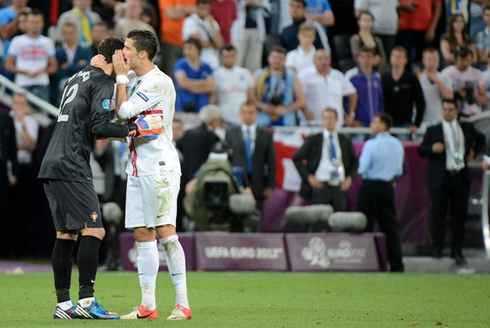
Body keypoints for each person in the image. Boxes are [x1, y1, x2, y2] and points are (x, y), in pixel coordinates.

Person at [38, 36, 163, 320]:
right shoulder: (104, 82)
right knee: (94, 230)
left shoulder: (77, 76)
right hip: (71, 163)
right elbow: (98, 126)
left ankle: (64, 305)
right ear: (117, 57)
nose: (128, 62)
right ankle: (86, 300)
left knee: (66, 234)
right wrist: (135, 129)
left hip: (52, 162)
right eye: (125, 57)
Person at [109, 29, 192, 320]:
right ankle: (148, 305)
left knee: (166, 233)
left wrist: (119, 78)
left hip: (159, 167)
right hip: (135, 166)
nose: (123, 53)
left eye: (128, 48)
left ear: (142, 54)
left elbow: (123, 111)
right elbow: (112, 111)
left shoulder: (159, 81)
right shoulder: (132, 80)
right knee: (143, 234)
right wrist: (119, 78)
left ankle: (182, 303)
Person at [418, 98, 485, 265]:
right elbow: (421, 150)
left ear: (456, 111)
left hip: (460, 175)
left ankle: (457, 250)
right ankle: (437, 248)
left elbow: (482, 139)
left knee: (459, 215)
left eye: (450, 109)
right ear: (442, 110)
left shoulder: (466, 127)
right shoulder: (434, 129)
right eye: (445, 109)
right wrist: (432, 148)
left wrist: (473, 153)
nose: (447, 112)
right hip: (441, 176)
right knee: (437, 215)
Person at [357, 113, 405, 272]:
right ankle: (397, 265)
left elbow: (362, 168)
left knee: (365, 226)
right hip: (388, 188)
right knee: (390, 228)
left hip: (371, 187)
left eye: (375, 122)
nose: (371, 124)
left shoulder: (371, 144)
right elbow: (398, 170)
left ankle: (365, 264)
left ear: (383, 125)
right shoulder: (398, 144)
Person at [293, 108, 358, 218]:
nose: (328, 121)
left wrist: (350, 178)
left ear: (337, 120)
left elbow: (355, 162)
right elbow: (297, 158)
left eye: (331, 118)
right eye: (325, 118)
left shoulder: (345, 140)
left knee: (339, 222)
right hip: (321, 185)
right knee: (317, 221)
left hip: (339, 185)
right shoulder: (313, 139)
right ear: (322, 120)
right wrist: (309, 177)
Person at [225, 100, 276, 221]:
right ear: (240, 114)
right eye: (244, 112)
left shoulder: (266, 134)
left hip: (258, 182)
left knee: (257, 215)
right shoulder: (231, 133)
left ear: (256, 114)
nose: (247, 115)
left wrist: (270, 185)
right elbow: (227, 159)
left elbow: (271, 162)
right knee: (236, 216)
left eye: (251, 112)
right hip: (237, 181)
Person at [5, 10, 57, 103]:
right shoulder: (17, 41)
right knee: (20, 113)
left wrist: (44, 71)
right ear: (26, 23)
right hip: (22, 83)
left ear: (42, 24)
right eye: (32, 22)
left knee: (43, 115)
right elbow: (8, 64)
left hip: (42, 83)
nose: (34, 25)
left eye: (37, 22)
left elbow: (54, 67)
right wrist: (22, 71)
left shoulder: (48, 42)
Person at [298, 49, 357, 127]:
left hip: (336, 124)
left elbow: (352, 94)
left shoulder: (338, 76)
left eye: (326, 58)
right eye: (320, 58)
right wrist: (305, 111)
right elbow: (297, 96)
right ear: (314, 60)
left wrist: (351, 114)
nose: (323, 62)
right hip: (313, 123)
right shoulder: (304, 76)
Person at [252, 45, 306, 127]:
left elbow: (301, 100)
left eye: (280, 58)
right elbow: (250, 97)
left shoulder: (292, 76)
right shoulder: (258, 75)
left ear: (285, 60)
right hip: (262, 121)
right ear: (269, 58)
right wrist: (262, 106)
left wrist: (286, 109)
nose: (277, 61)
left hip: (286, 122)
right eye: (274, 57)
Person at [381, 46, 425, 139]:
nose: (396, 59)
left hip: (405, 124)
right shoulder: (384, 78)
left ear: (405, 60)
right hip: (386, 124)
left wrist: (416, 124)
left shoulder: (411, 78)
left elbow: (420, 101)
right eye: (394, 56)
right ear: (390, 59)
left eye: (400, 57)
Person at [345, 47, 384, 134]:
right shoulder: (351, 76)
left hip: (375, 126)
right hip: (358, 125)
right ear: (358, 59)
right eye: (362, 57)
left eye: (369, 57)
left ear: (374, 59)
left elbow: (380, 101)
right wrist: (350, 118)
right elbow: (344, 99)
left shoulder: (377, 77)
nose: (366, 60)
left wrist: (380, 120)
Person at [212, 44, 254, 126]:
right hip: (225, 119)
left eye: (232, 56)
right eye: (226, 56)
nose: (230, 59)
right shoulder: (215, 74)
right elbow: (213, 99)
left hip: (244, 118)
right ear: (221, 57)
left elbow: (251, 98)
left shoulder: (245, 73)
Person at [441, 45, 486, 120]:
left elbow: (484, 100)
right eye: (462, 60)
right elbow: (442, 97)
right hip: (455, 116)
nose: (465, 63)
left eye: (468, 60)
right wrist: (457, 94)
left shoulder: (477, 74)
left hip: (475, 114)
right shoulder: (446, 74)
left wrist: (475, 96)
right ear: (455, 59)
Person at [53, 23, 93, 105]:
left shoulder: (85, 50)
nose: (68, 36)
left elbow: (87, 69)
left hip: (81, 86)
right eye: (65, 33)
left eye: (71, 33)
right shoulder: (57, 51)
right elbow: (58, 72)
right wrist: (77, 66)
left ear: (76, 33)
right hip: (62, 87)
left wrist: (68, 66)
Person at [174, 37, 215, 113]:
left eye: (190, 48)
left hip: (202, 111)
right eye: (185, 49)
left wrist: (190, 86)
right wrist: (203, 84)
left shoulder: (207, 67)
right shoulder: (180, 64)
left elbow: (211, 88)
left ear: (198, 50)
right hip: (184, 109)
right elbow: (183, 83)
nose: (187, 52)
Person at [158, 0, 197, 79]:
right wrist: (188, 11)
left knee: (189, 74)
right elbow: (172, 14)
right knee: (170, 75)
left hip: (189, 42)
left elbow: (197, 10)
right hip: (170, 41)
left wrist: (181, 8)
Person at [397, 0, 442, 66]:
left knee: (426, 60)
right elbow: (392, 3)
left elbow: (438, 7)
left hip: (426, 29)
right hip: (405, 28)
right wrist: (402, 6)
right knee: (404, 60)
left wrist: (432, 28)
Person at [231, 0, 271, 73]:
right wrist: (244, 3)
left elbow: (268, 10)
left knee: (254, 62)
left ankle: (253, 82)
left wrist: (259, 5)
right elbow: (231, 8)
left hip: (257, 30)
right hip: (240, 31)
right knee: (238, 60)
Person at [182, 0, 224, 69]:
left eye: (207, 9)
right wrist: (213, 45)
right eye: (202, 8)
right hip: (197, 61)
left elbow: (220, 44)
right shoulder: (190, 21)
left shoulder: (212, 22)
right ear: (197, 7)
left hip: (213, 61)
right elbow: (197, 43)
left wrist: (212, 26)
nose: (204, 11)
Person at [418, 48, 453, 130]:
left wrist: (438, 81)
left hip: (439, 119)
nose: (432, 62)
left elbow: (450, 98)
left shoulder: (444, 78)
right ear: (423, 60)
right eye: (429, 59)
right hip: (422, 121)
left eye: (435, 59)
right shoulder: (418, 78)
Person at [0, 111, 18, 258]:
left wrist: (14, 172)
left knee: (3, 210)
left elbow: (12, 148)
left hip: (2, 170)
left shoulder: (6, 120)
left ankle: (3, 250)